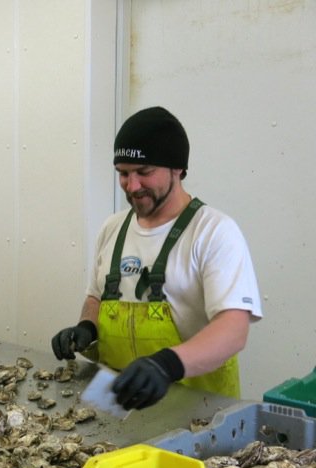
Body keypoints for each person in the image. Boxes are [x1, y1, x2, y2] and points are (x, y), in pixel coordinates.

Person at [52, 106, 262, 410]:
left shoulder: (214, 231)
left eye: (144, 172)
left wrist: (167, 365)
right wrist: (86, 327)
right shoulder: (113, 228)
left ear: (177, 169)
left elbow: (233, 330)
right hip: (115, 410)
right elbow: (96, 297)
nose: (132, 186)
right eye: (123, 174)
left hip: (196, 415)